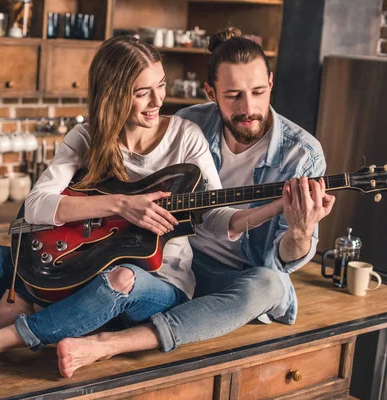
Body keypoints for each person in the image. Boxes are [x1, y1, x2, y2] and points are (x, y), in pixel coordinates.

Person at [0, 36, 282, 386]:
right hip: (81, 273)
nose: (155, 102)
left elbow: (219, 219)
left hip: (157, 284)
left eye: (160, 87)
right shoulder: (86, 137)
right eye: (141, 92)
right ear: (113, 95)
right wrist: (124, 204)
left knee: (121, 278)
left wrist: (274, 207)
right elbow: (37, 205)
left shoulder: (185, 137)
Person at [55, 28, 336, 379]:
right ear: (210, 92)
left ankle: (111, 344)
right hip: (173, 261)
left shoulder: (302, 154)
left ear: (270, 82)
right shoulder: (188, 125)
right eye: (233, 96)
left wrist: (302, 229)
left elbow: (286, 260)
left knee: (272, 285)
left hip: (235, 280)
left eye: (258, 92)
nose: (249, 108)